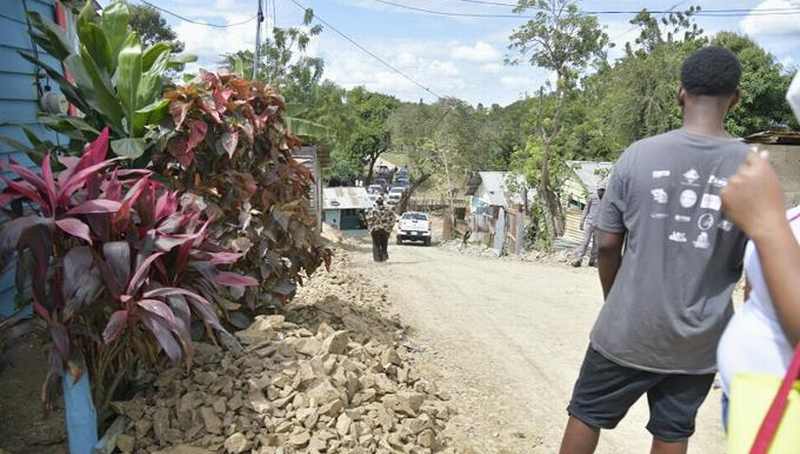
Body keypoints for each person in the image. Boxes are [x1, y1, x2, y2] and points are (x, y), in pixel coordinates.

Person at [559, 46, 750, 454]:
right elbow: (759, 265)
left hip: (628, 329)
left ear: (680, 92)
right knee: (672, 431)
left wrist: (615, 300)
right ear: (735, 97)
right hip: (699, 342)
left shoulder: (638, 155)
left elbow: (607, 242)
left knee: (586, 414)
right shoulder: (753, 168)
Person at [716, 152, 800, 423]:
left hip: (782, 414)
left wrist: (767, 226)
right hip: (748, 397)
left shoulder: (776, 220)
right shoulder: (791, 216)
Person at [572, 185, 606, 267]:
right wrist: (582, 221)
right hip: (590, 223)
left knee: (596, 244)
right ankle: (578, 259)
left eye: (603, 190)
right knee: (585, 242)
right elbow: (586, 209)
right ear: (597, 190)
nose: (601, 192)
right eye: (600, 190)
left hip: (600, 225)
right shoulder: (592, 197)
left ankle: (592, 261)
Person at [366, 197, 395, 262]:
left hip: (375, 229)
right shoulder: (388, 210)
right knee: (384, 244)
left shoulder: (372, 210)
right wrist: (390, 228)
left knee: (376, 244)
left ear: (376, 202)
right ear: (382, 202)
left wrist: (370, 228)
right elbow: (393, 219)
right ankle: (384, 257)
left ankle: (377, 259)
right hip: (385, 229)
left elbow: (368, 219)